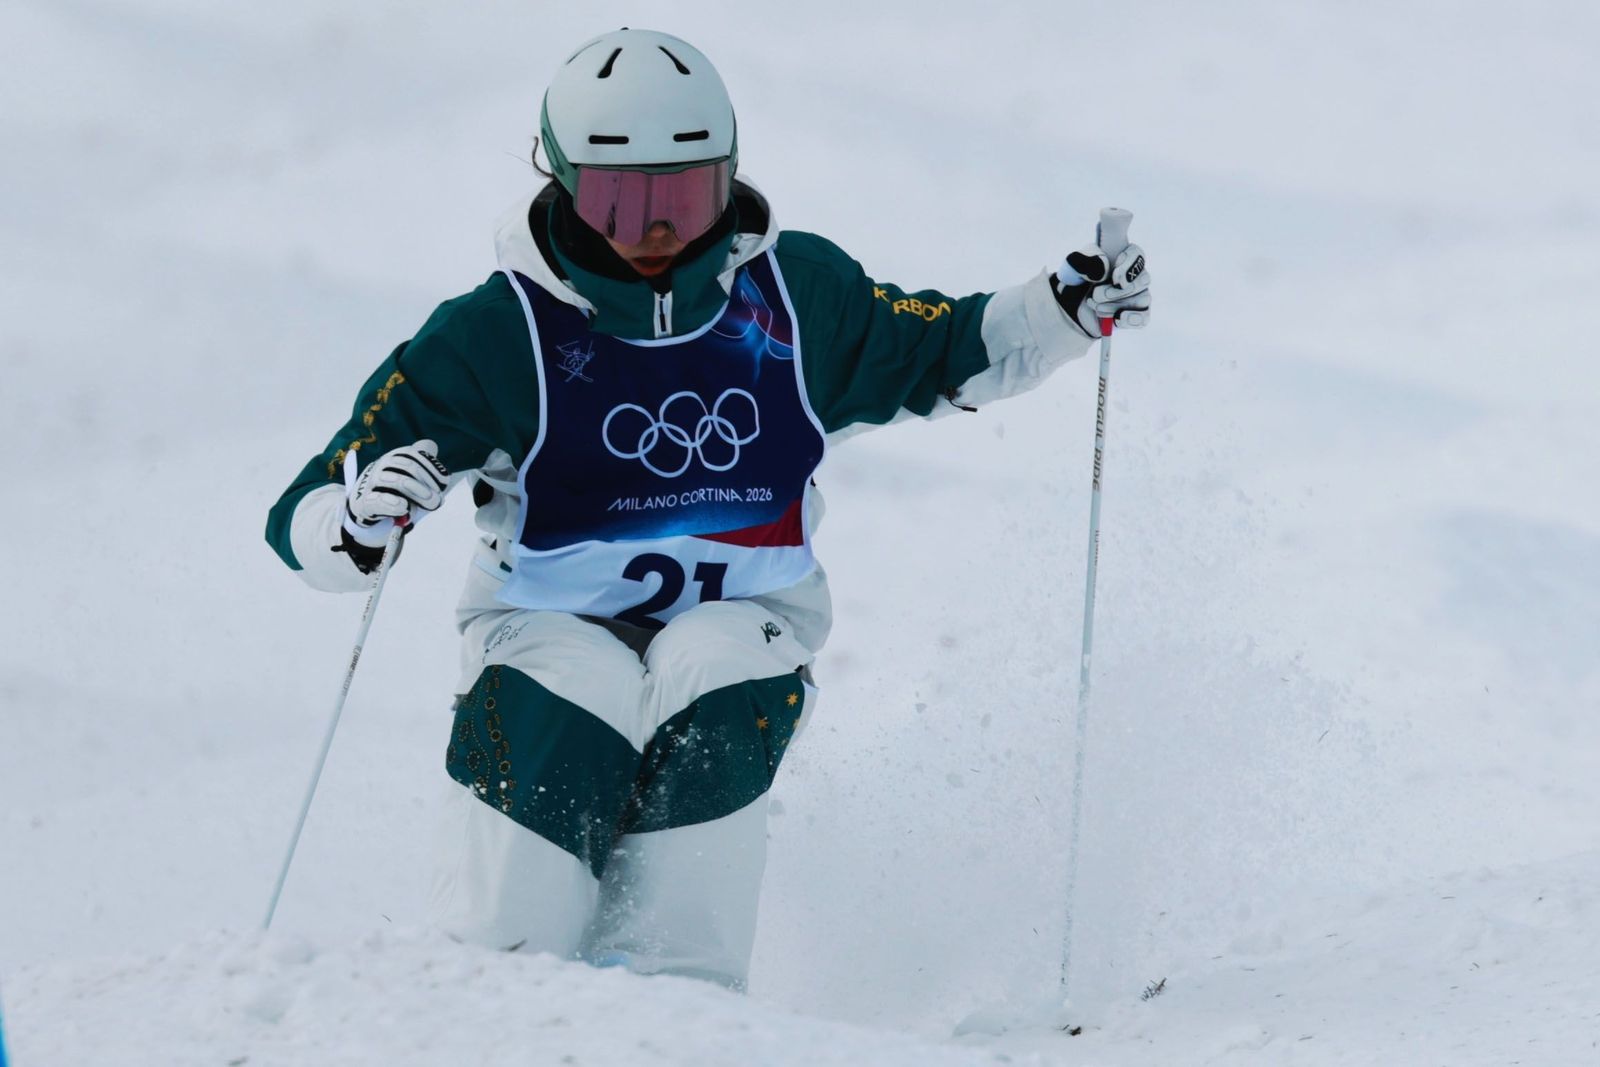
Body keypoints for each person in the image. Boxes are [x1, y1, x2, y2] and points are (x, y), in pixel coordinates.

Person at [265, 27, 1150, 991]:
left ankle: (681, 1006)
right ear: (562, 182)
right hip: (544, 627)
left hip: (748, 617)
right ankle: (501, 994)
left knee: (712, 673)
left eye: (686, 196)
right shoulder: (498, 333)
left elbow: (943, 346)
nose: (658, 232)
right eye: (621, 201)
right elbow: (309, 508)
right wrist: (354, 524)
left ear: (729, 177)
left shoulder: (793, 299)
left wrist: (1062, 309)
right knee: (572, 698)